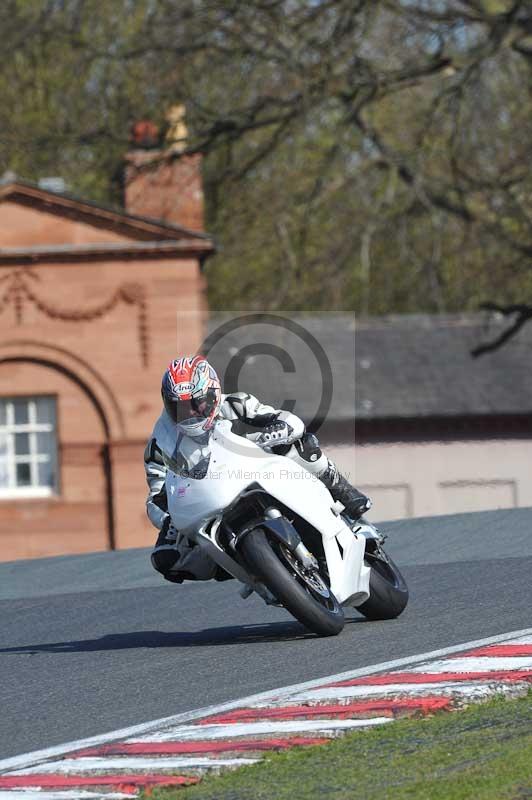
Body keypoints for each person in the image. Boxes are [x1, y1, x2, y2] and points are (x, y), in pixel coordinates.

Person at [144, 355, 371, 583]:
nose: (191, 412)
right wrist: (168, 519)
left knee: (301, 445)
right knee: (166, 559)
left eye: (197, 403)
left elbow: (291, 422)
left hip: (263, 471)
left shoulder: (236, 405)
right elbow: (156, 495)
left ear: (213, 392)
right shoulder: (160, 441)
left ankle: (344, 493)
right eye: (180, 407)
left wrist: (272, 433)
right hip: (212, 498)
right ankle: (243, 563)